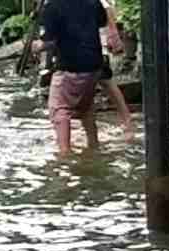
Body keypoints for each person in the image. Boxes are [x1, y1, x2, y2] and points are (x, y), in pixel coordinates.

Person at [32, 0, 110, 157]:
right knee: (86, 109)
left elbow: (49, 41)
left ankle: (64, 154)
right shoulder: (93, 2)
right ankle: (94, 148)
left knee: (59, 110)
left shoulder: (53, 7)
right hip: (94, 67)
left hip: (69, 67)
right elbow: (102, 22)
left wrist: (37, 46)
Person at [98, 0, 132, 141]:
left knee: (107, 84)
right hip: (95, 49)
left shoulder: (102, 4)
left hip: (96, 49)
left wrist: (114, 39)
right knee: (108, 85)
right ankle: (127, 121)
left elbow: (110, 22)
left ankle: (127, 121)